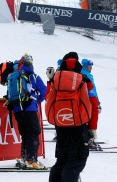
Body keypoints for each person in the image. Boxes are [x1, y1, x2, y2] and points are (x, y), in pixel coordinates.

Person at [47, 52, 90, 182]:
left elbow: (48, 99)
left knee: (61, 161)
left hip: (60, 124)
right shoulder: (83, 79)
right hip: (78, 124)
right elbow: (90, 103)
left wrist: (50, 81)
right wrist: (92, 127)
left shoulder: (56, 79)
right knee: (76, 162)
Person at [7, 58, 47, 169]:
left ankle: (24, 157)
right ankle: (31, 160)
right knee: (34, 133)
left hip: (17, 110)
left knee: (25, 134)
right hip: (29, 108)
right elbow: (44, 91)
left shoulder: (14, 76)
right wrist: (36, 101)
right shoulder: (32, 76)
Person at [81, 59, 101, 149]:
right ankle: (89, 140)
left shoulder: (81, 73)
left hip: (84, 99)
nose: (91, 68)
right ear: (86, 66)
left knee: (85, 118)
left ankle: (85, 138)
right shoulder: (87, 75)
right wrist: (97, 100)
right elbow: (93, 89)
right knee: (92, 118)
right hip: (91, 99)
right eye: (90, 66)